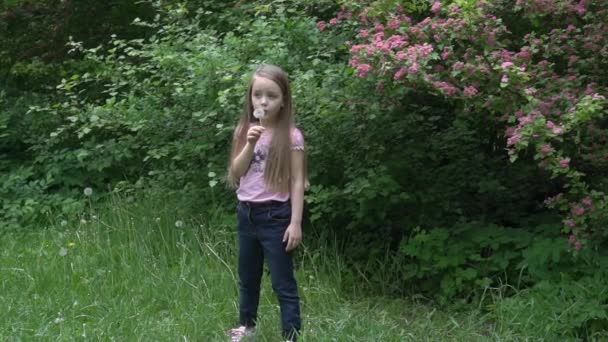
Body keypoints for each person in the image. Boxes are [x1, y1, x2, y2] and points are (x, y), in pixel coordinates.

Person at [227, 64, 307, 342]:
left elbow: (297, 181)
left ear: (283, 100)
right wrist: (250, 143)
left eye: (271, 96)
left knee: (282, 282)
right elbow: (236, 173)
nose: (263, 101)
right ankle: (246, 328)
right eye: (258, 95)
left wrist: (295, 222)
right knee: (248, 278)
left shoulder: (291, 136)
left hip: (276, 215)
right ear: (250, 98)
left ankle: (291, 335)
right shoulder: (243, 130)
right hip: (246, 213)